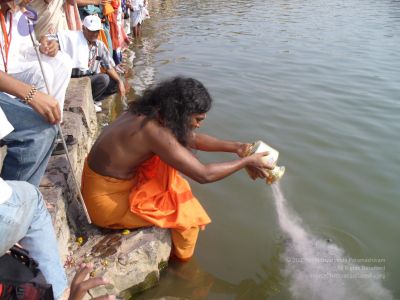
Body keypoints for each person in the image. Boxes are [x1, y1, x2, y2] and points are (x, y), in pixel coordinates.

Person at [81, 77, 272, 261]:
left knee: (178, 186)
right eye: (197, 119)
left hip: (102, 185)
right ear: (179, 111)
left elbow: (191, 138)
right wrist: (246, 162)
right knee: (189, 220)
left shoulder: (145, 111)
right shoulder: (152, 131)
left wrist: (237, 148)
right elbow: (203, 175)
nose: (199, 124)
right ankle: (182, 267)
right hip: (106, 203)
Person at [0, 1, 72, 112]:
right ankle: (41, 122)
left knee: (63, 61)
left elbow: (24, 49)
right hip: (5, 74)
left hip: (15, 65)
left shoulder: (20, 14)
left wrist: (42, 48)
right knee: (42, 71)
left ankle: (55, 117)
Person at [43, 15, 126, 109]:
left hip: (89, 78)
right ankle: (90, 102)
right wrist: (47, 43)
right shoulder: (73, 38)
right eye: (91, 31)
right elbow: (47, 38)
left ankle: (94, 100)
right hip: (72, 78)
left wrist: (120, 81)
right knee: (104, 79)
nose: (94, 34)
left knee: (115, 83)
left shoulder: (100, 45)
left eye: (97, 31)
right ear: (83, 28)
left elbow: (109, 67)